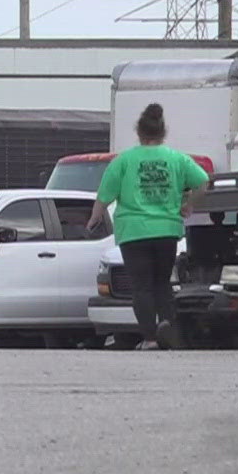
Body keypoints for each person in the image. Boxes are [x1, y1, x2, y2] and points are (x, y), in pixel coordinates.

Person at [87, 103, 210, 349]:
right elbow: (203, 181)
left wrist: (94, 218)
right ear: (162, 132)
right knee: (162, 282)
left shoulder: (124, 161)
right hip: (166, 231)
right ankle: (166, 323)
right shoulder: (176, 159)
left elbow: (104, 196)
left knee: (141, 286)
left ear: (139, 133)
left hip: (133, 232)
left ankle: (151, 337)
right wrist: (188, 205)